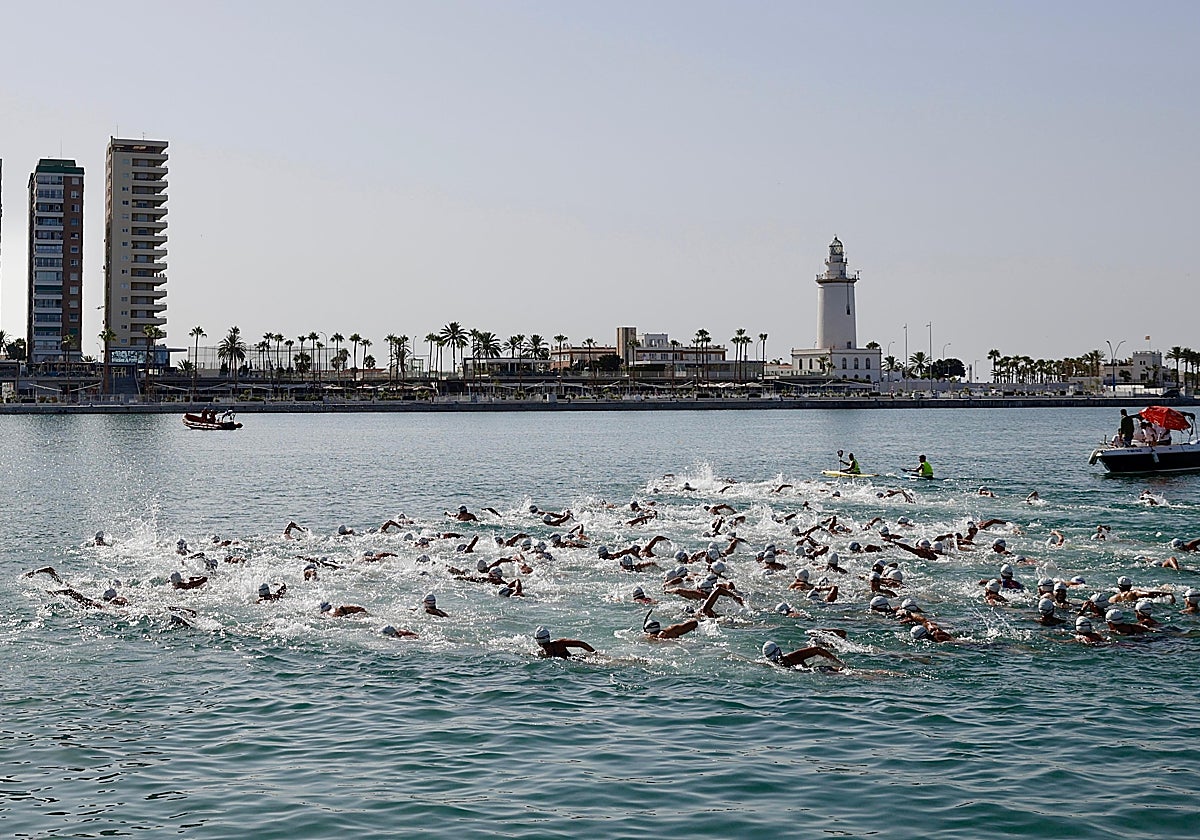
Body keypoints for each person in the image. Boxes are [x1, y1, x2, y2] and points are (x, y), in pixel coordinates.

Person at [762, 640, 844, 670]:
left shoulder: (769, 664)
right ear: (778, 650)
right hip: (816, 672)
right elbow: (817, 650)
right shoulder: (791, 657)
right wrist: (838, 662)